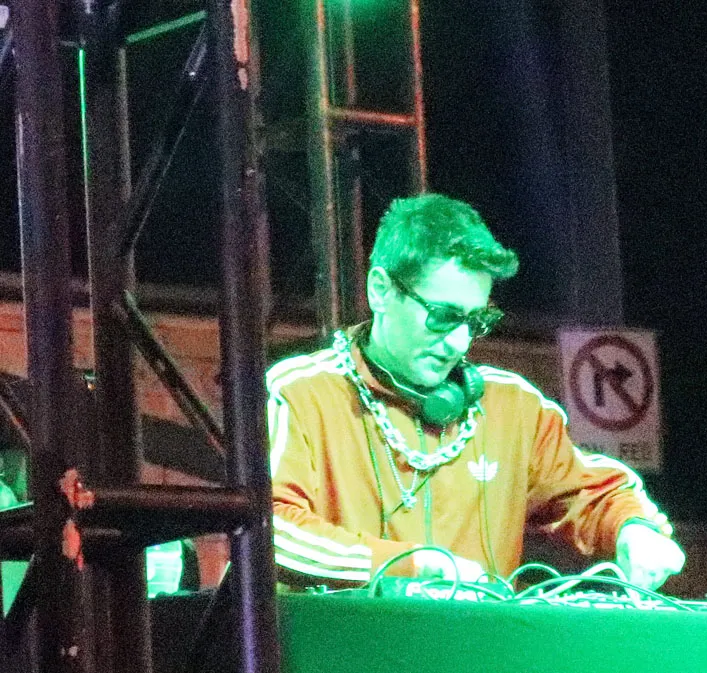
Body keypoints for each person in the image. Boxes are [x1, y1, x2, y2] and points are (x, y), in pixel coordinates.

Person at [268, 193, 685, 590]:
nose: (459, 342)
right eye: (442, 316)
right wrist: (413, 566)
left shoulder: (514, 409)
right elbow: (270, 530)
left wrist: (633, 529)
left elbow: (594, 492)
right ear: (381, 290)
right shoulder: (299, 393)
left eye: (475, 322)